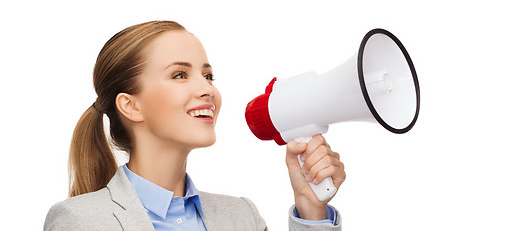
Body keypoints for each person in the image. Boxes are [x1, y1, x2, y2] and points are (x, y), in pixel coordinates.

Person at [44, 20, 346, 231]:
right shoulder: (78, 221)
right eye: (179, 75)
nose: (208, 90)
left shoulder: (241, 216)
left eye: (208, 76)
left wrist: (311, 209)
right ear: (131, 106)